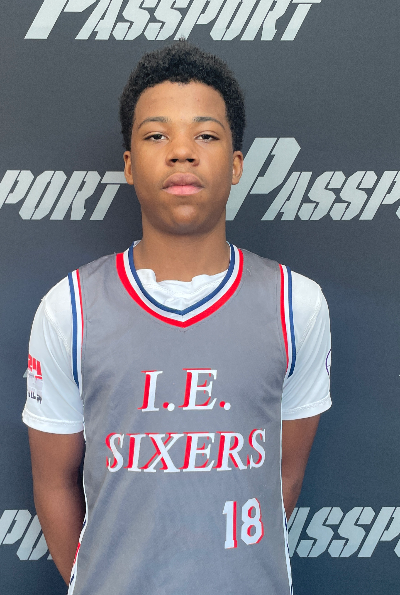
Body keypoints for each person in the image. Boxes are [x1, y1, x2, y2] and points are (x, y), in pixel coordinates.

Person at [23, 41, 331, 595]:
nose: (182, 152)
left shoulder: (296, 304)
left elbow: (283, 477)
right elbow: (52, 482)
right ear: (129, 165)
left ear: (236, 164)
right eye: (156, 136)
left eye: (206, 135)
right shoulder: (69, 308)